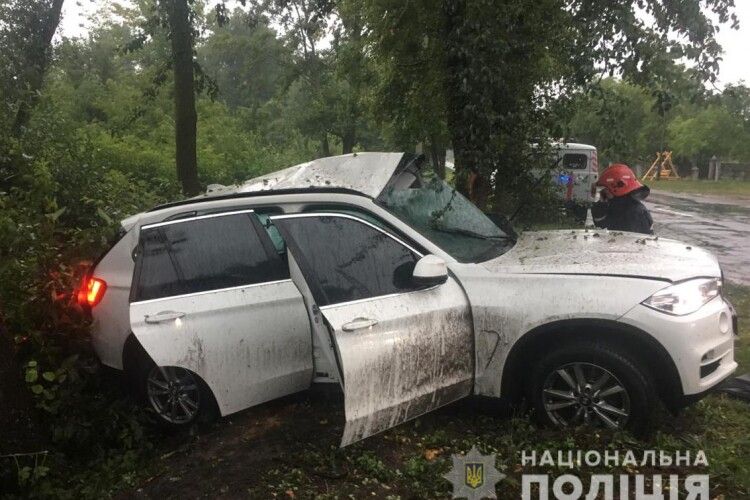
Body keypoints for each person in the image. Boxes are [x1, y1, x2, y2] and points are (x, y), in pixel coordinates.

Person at [591, 163, 653, 234]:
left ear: (616, 189)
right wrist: (599, 207)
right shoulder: (617, 207)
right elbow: (601, 225)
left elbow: (632, 242)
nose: (604, 194)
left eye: (605, 190)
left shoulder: (635, 213)